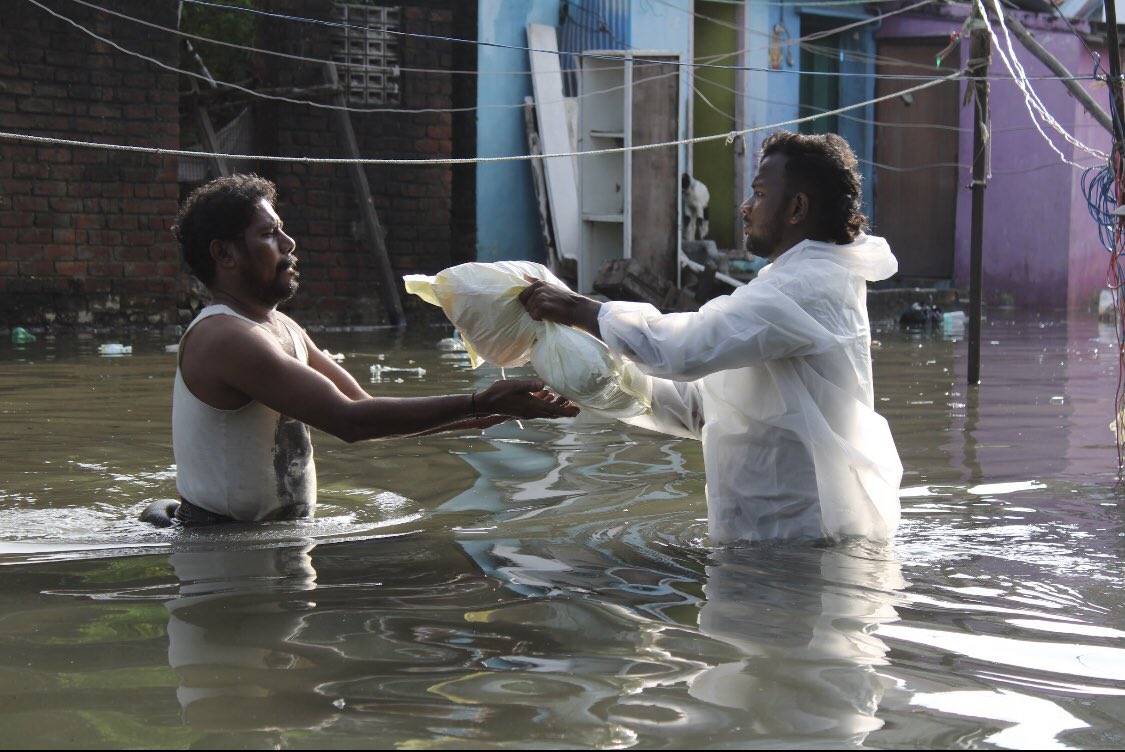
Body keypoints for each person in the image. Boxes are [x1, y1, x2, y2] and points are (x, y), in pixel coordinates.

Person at [519, 130, 903, 545]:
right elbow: (703, 408)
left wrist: (577, 310)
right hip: (770, 542)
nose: (746, 205)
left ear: (797, 208)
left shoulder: (807, 287)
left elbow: (680, 350)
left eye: (758, 193)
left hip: (802, 545)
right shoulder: (799, 282)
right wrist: (594, 378)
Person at [142, 174, 577, 527]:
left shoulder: (280, 327)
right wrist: (478, 400)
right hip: (219, 550)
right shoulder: (224, 337)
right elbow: (349, 422)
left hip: (274, 540)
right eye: (269, 234)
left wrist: (481, 414)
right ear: (225, 254)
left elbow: (363, 407)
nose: (289, 244)